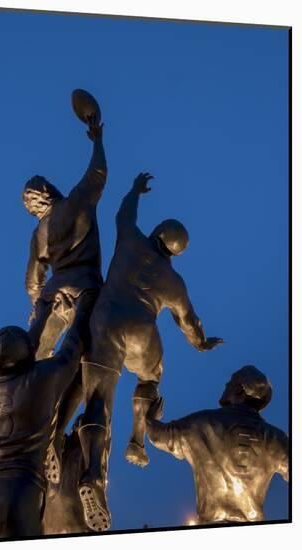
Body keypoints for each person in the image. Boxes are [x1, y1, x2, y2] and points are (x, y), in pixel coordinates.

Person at [78, 172, 223, 531]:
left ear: (157, 233)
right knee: (149, 377)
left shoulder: (130, 239)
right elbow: (189, 321)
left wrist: (134, 191)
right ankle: (137, 440)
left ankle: (92, 471)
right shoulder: (174, 282)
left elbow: (122, 215)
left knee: (97, 399)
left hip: (108, 318)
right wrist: (201, 343)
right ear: (175, 252)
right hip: (144, 331)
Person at [0, 294, 92, 542]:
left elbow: (27, 349)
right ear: (25, 354)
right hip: (13, 492)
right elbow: (71, 349)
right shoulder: (43, 377)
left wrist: (44, 314)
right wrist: (82, 311)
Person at [22, 114, 107, 482]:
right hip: (86, 289)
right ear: (51, 191)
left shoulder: (40, 231)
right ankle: (61, 430)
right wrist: (97, 139)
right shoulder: (76, 204)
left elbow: (32, 281)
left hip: (53, 293)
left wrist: (39, 307)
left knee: (30, 354)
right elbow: (98, 175)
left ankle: (6, 412)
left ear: (36, 206)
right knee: (81, 359)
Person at [146, 366, 289, 524]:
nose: (226, 385)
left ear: (240, 390)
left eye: (230, 382)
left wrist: (150, 419)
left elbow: (158, 436)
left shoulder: (201, 423)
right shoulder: (276, 438)